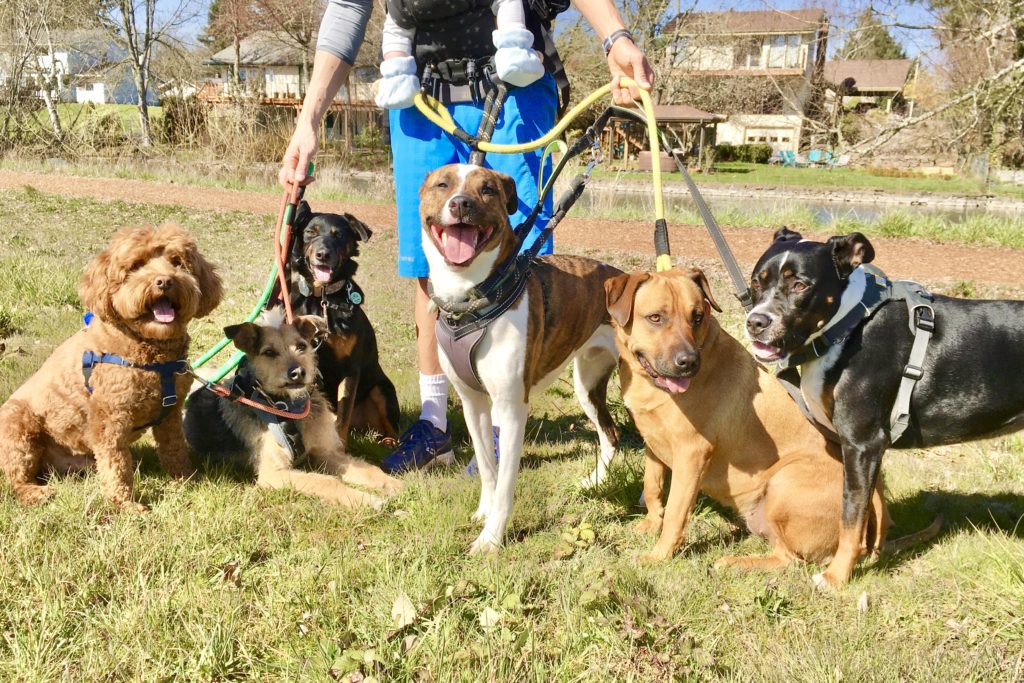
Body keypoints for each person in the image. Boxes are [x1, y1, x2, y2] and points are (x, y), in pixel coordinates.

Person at [279, 0, 654, 472]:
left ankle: (503, 424)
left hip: (516, 76)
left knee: (517, 256)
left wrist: (615, 37)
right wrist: (308, 118)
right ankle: (436, 426)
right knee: (429, 263)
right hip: (416, 90)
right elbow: (349, 9)